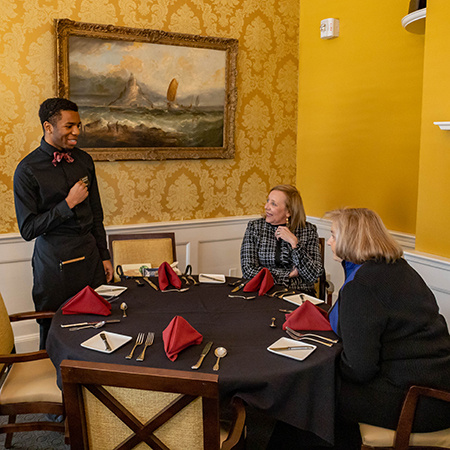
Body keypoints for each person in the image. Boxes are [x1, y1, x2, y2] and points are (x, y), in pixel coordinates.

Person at [325, 207, 450, 434]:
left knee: (315, 394)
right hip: (438, 387)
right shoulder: (399, 269)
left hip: (416, 401)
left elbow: (360, 369)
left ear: (350, 240)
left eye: (333, 235)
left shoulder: (362, 285)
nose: (329, 242)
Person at [14, 98, 113, 349]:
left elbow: (96, 213)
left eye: (78, 125)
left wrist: (104, 256)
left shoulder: (84, 160)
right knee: (55, 333)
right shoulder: (27, 170)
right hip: (54, 265)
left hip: (91, 259)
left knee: (100, 326)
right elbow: (28, 229)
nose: (77, 132)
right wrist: (67, 204)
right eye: (70, 126)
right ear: (48, 127)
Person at [240, 184, 323, 295]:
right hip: (262, 292)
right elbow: (248, 271)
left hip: (298, 294)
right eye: (268, 201)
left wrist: (294, 243)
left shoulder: (308, 230)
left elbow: (313, 275)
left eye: (273, 204)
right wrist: (288, 274)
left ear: (289, 211)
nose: (266, 206)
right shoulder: (255, 228)